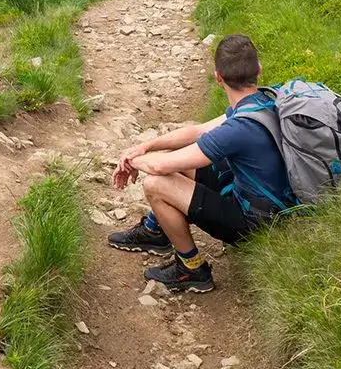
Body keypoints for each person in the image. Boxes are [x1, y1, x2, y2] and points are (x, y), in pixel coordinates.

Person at [107, 33, 294, 292]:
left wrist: (132, 160)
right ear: (258, 71)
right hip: (273, 204)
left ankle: (191, 269)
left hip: (256, 223)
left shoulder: (239, 129)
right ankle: (156, 230)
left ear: (218, 78)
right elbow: (198, 131)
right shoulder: (265, 101)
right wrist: (146, 146)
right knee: (182, 160)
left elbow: (161, 168)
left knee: (155, 185)